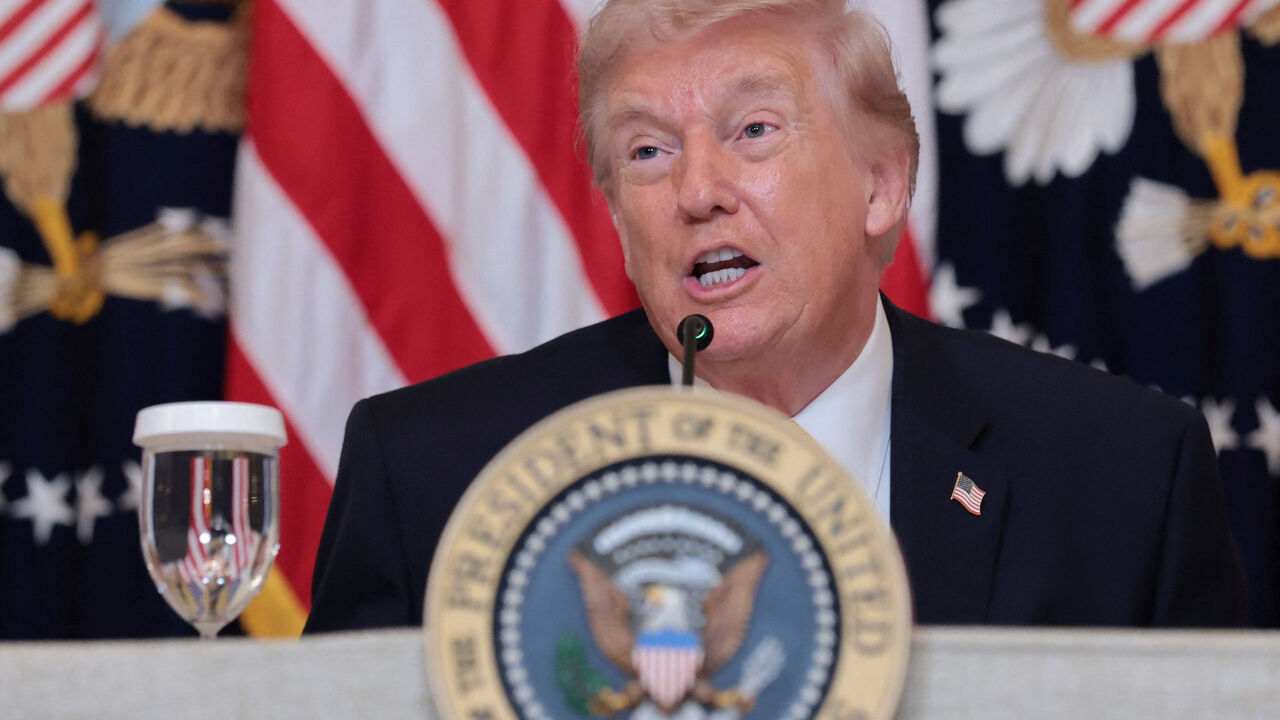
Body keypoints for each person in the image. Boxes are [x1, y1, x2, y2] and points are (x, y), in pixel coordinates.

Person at [304, 0, 1244, 632]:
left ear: (883, 185)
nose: (697, 190)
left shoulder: (1123, 478)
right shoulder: (433, 475)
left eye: (754, 130)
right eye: (646, 151)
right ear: (620, 221)